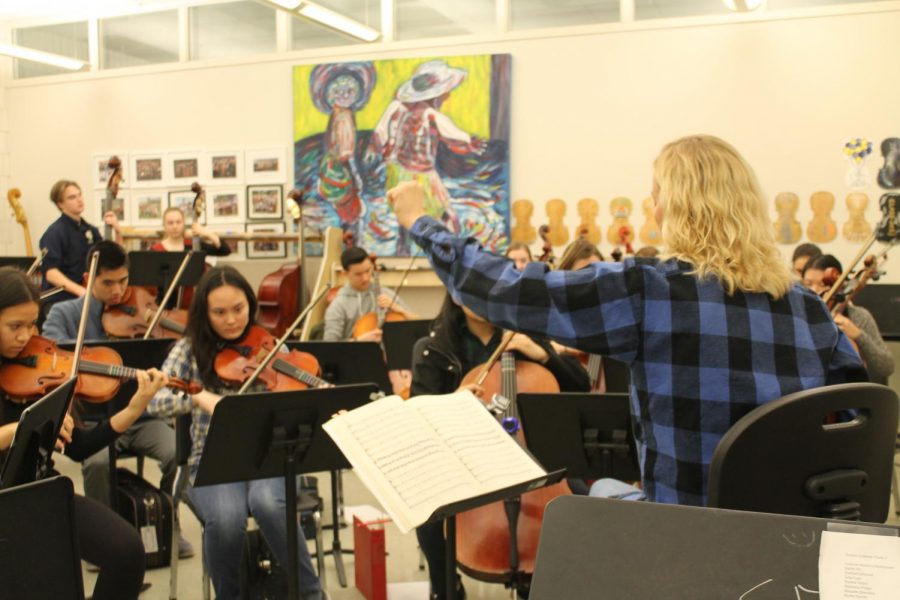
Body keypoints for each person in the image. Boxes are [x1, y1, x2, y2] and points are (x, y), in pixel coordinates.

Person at [389, 134, 865, 506]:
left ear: (676, 207)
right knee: (606, 490)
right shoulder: (808, 307)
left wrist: (419, 220)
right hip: (787, 540)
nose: (653, 206)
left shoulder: (651, 290)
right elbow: (854, 425)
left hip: (683, 538)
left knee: (594, 498)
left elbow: (506, 289)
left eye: (656, 195)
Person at [148, 266, 326, 600]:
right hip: (213, 461)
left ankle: (311, 594)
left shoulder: (269, 345)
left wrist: (316, 394)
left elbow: (303, 395)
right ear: (205, 312)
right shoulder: (190, 348)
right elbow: (155, 401)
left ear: (251, 305)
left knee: (269, 505)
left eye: (238, 309)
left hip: (270, 458)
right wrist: (198, 396)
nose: (231, 320)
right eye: (219, 312)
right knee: (227, 519)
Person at [0, 266, 167, 599]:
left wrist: (133, 409)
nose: (25, 336)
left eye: (31, 324)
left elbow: (78, 448)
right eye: (14, 326)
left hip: (40, 491)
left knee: (126, 550)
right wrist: (23, 428)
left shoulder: (36, 366)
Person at [411, 294, 589, 600]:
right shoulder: (433, 348)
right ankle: (446, 589)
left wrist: (544, 356)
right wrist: (453, 400)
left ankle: (546, 586)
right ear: (455, 295)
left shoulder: (524, 336)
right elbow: (419, 411)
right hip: (464, 459)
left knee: (583, 504)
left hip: (531, 455)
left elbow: (581, 386)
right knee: (428, 515)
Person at [40, 241, 188, 554]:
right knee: (96, 464)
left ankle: (167, 524)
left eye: (124, 281)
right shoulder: (66, 313)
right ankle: (101, 542)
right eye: (108, 283)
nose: (119, 291)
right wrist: (94, 355)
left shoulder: (141, 313)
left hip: (141, 417)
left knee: (179, 453)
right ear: (87, 280)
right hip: (94, 422)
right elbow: (51, 352)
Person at [372, 59, 486, 253]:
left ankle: (403, 250)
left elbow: (378, 135)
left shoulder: (396, 109)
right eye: (445, 93)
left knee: (405, 217)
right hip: (422, 176)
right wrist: (470, 142)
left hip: (397, 172)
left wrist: (384, 153)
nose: (447, 96)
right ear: (436, 95)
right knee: (447, 217)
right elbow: (455, 137)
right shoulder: (431, 115)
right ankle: (452, 256)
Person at [802, 254, 894, 382]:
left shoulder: (858, 316)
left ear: (840, 284)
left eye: (823, 284)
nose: (815, 290)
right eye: (808, 284)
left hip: (849, 395)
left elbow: (886, 367)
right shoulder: (798, 316)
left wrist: (858, 335)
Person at [39, 180, 123, 306]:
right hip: (62, 301)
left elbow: (113, 259)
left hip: (86, 297)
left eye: (80, 195)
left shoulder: (90, 229)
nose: (79, 200)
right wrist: (81, 291)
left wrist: (118, 231)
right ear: (60, 204)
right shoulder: (55, 233)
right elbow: (51, 274)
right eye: (72, 197)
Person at [323, 246, 417, 343]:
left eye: (368, 271)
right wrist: (359, 341)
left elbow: (418, 324)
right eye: (358, 274)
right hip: (354, 356)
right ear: (345, 274)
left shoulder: (385, 294)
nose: (366, 278)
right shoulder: (338, 305)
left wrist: (398, 308)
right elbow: (330, 345)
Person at [150, 206, 231, 257]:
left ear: (183, 224)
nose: (175, 226)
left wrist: (206, 233)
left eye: (178, 222)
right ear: (164, 225)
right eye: (170, 223)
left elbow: (225, 250)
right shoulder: (156, 250)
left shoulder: (194, 245)